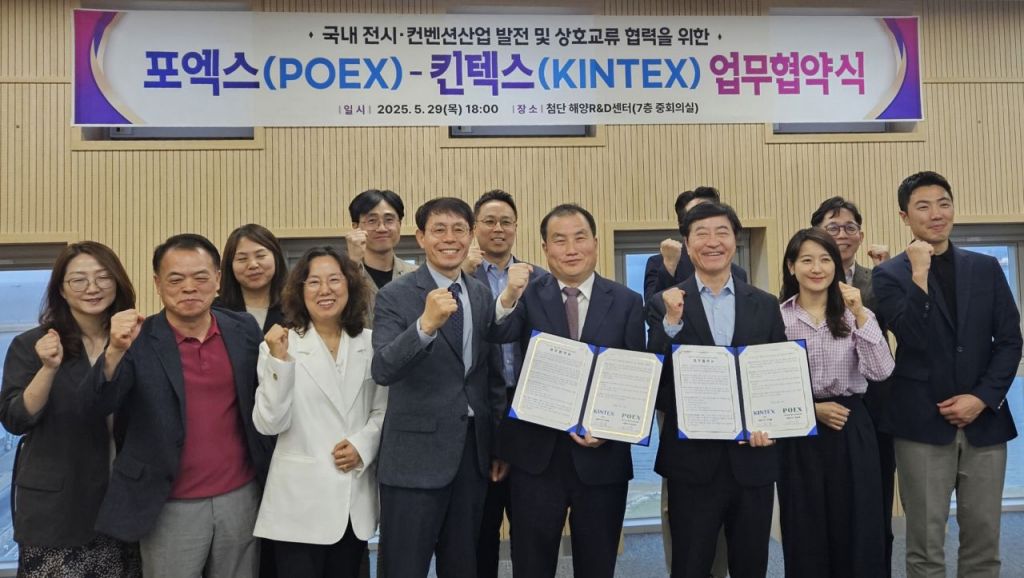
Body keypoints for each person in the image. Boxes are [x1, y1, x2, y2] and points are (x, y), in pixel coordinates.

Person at [83, 233, 272, 578]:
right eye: (175, 279)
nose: (189, 287)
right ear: (157, 284)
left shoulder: (243, 328)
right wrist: (114, 351)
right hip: (168, 502)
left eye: (200, 277)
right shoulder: (137, 338)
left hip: (241, 495)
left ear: (218, 279)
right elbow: (96, 405)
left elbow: (267, 399)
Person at [872, 171, 1022, 578]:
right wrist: (919, 276)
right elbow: (912, 336)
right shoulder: (889, 275)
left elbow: (1010, 341)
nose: (936, 214)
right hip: (920, 423)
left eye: (943, 203)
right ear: (905, 217)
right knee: (925, 546)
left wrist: (982, 397)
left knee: (984, 543)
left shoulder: (986, 268)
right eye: (923, 206)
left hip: (984, 422)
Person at [490, 203, 644, 578]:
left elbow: (634, 378)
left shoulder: (626, 301)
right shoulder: (527, 295)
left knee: (597, 563)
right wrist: (508, 296)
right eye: (559, 240)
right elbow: (498, 332)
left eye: (580, 238)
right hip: (536, 457)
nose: (571, 249)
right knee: (531, 563)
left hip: (602, 458)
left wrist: (609, 430)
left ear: (595, 242)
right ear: (545, 248)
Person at [646, 202, 786, 578]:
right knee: (690, 565)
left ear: (734, 240)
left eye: (722, 232)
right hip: (692, 462)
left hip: (753, 459)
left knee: (751, 565)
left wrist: (774, 423)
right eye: (702, 234)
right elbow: (653, 380)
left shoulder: (765, 305)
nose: (713, 242)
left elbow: (776, 377)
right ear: (687, 244)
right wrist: (671, 323)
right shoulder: (666, 302)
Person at [370, 197, 506, 578]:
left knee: (463, 564)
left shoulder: (479, 293)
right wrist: (425, 326)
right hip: (413, 459)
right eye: (439, 230)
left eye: (459, 229)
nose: (450, 238)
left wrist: (496, 443)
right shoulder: (395, 295)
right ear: (420, 237)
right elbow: (382, 368)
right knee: (403, 566)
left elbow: (489, 373)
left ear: (471, 235)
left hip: (471, 454)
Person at [0, 241, 140, 577]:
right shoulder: (32, 344)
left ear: (117, 282)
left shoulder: (137, 341)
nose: (92, 287)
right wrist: (48, 368)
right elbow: (15, 419)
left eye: (103, 277)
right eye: (78, 279)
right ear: (61, 290)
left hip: (121, 502)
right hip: (58, 507)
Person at [252, 246, 386, 577]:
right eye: (313, 282)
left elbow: (383, 410)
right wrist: (280, 363)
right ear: (300, 291)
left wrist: (362, 446)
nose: (325, 290)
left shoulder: (372, 343)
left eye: (334, 280)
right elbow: (269, 423)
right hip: (300, 505)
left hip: (353, 500)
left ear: (350, 286)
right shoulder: (280, 345)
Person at [777, 228, 895, 577]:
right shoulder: (778, 317)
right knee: (805, 527)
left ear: (836, 266)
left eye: (825, 260)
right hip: (799, 430)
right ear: (791, 266)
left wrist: (861, 314)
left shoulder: (855, 314)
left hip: (851, 425)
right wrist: (812, 410)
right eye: (807, 260)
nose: (817, 268)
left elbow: (881, 371)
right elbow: (769, 384)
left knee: (858, 525)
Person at [810, 196, 897, 575]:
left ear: (860, 235)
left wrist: (887, 272)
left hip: (874, 404)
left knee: (874, 504)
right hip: (821, 408)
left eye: (850, 228)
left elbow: (895, 324)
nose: (842, 235)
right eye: (832, 227)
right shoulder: (803, 282)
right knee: (824, 509)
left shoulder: (877, 278)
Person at [463, 189, 546, 578]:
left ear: (516, 227)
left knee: (530, 522)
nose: (498, 229)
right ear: (475, 227)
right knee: (482, 525)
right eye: (489, 221)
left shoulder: (539, 279)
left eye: (506, 222)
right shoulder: (460, 278)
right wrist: (463, 274)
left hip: (529, 409)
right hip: (478, 410)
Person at [643, 186, 748, 301]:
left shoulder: (738, 273)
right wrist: (669, 267)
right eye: (698, 217)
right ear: (684, 229)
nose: (713, 242)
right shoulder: (659, 264)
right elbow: (652, 309)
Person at [346, 189, 417, 325]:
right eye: (372, 221)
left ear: (400, 224)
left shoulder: (417, 275)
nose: (382, 228)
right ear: (355, 227)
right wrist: (352, 263)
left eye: (389, 220)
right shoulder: (342, 276)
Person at [218, 223, 288, 334]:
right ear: (230, 265)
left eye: (260, 256)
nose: (253, 265)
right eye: (242, 259)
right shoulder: (215, 311)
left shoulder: (296, 307)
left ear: (276, 257)